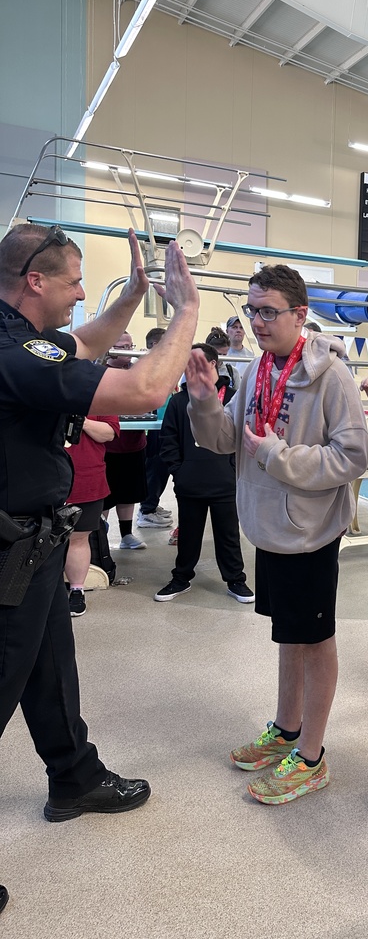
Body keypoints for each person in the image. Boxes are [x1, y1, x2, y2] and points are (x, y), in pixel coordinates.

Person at [0, 222, 198, 826]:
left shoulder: (21, 341)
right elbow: (143, 388)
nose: (81, 293)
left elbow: (78, 347)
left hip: (35, 546)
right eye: (74, 281)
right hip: (8, 552)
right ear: (35, 281)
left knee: (51, 664)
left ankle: (75, 778)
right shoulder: (11, 353)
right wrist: (186, 311)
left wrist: (132, 297)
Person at [185, 264, 368, 805]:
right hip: (269, 526)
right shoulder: (259, 368)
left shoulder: (331, 375)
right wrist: (203, 400)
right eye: (252, 310)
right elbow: (226, 440)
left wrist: (275, 454)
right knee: (289, 634)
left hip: (309, 530)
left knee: (315, 639)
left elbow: (352, 456)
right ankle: (287, 731)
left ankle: (312, 758)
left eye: (268, 311)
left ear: (300, 314)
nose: (258, 321)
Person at [154, 343, 254, 604]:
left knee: (229, 534)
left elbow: (243, 436)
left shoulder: (233, 397)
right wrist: (179, 471)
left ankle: (236, 580)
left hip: (226, 481)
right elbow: (168, 440)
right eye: (187, 364)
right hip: (190, 481)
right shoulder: (178, 401)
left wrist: (236, 471)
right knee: (188, 534)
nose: (192, 369)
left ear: (213, 364)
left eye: (197, 363)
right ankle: (181, 577)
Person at [64, 413, 120, 617]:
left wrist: (81, 421)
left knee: (78, 537)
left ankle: (77, 590)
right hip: (43, 476)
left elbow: (109, 433)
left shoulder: (99, 395)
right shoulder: (41, 389)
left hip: (86, 478)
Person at [102, 332, 149, 550]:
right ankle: (98, 536)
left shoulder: (137, 372)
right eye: (124, 347)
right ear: (110, 348)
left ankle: (126, 535)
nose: (129, 351)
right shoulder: (100, 373)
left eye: (131, 346)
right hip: (106, 446)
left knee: (128, 492)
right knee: (103, 494)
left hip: (133, 443)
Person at [137, 326, 174, 528]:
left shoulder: (164, 366)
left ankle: (153, 504)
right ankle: (147, 510)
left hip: (163, 424)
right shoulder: (146, 367)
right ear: (154, 345)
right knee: (155, 468)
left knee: (162, 468)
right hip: (152, 426)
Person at [206, 326, 241, 391]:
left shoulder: (233, 372)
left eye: (224, 355)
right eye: (218, 354)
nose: (220, 358)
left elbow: (238, 397)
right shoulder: (196, 370)